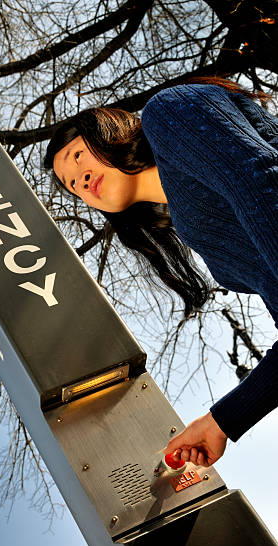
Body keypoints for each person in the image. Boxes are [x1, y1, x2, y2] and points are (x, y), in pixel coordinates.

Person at [44, 76, 278, 467]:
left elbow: (264, 178)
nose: (81, 180)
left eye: (78, 156)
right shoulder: (200, 237)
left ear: (107, 132)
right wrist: (222, 421)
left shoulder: (168, 112)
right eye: (72, 186)